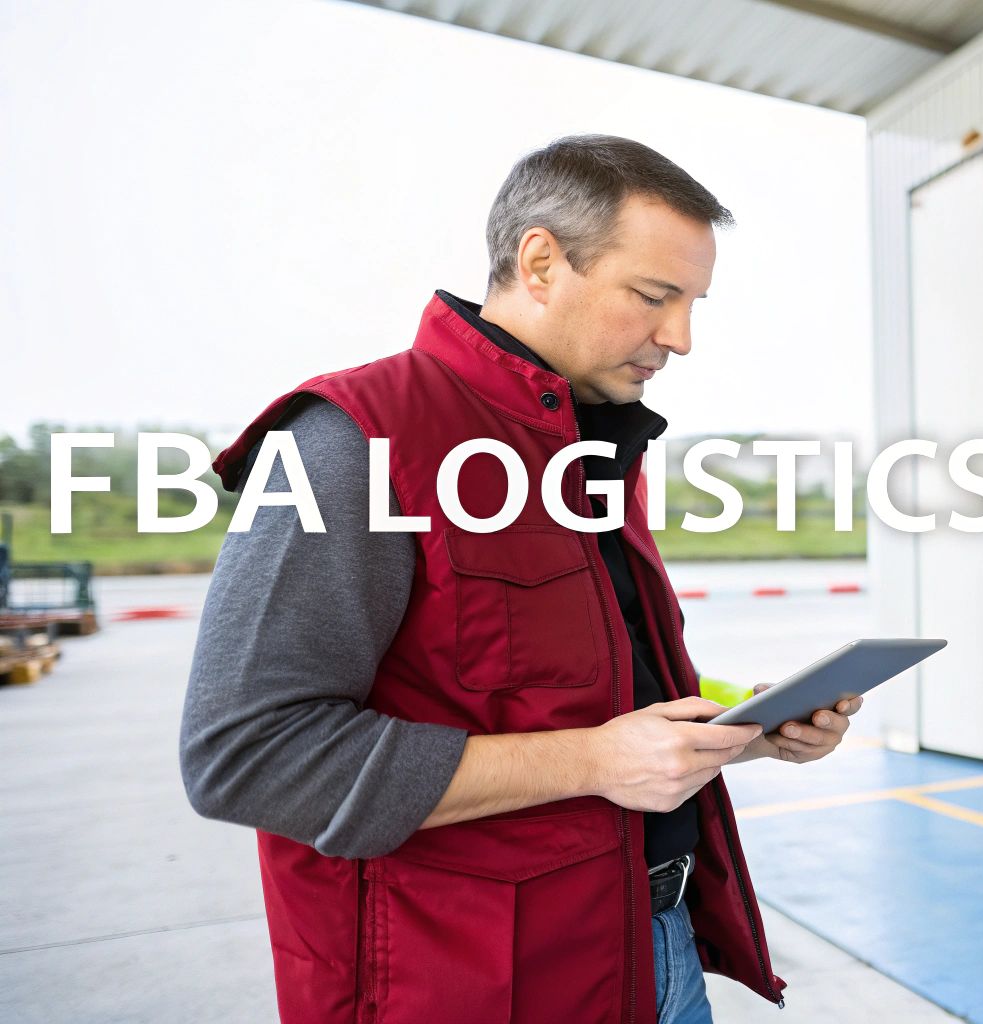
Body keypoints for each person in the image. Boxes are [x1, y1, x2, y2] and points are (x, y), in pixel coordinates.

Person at [180, 135, 861, 1023]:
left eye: (693, 304)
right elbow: (247, 754)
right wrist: (593, 760)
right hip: (468, 987)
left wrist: (744, 728)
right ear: (541, 261)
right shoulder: (355, 439)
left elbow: (566, 692)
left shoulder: (593, 455)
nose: (681, 339)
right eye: (654, 297)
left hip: (651, 950)